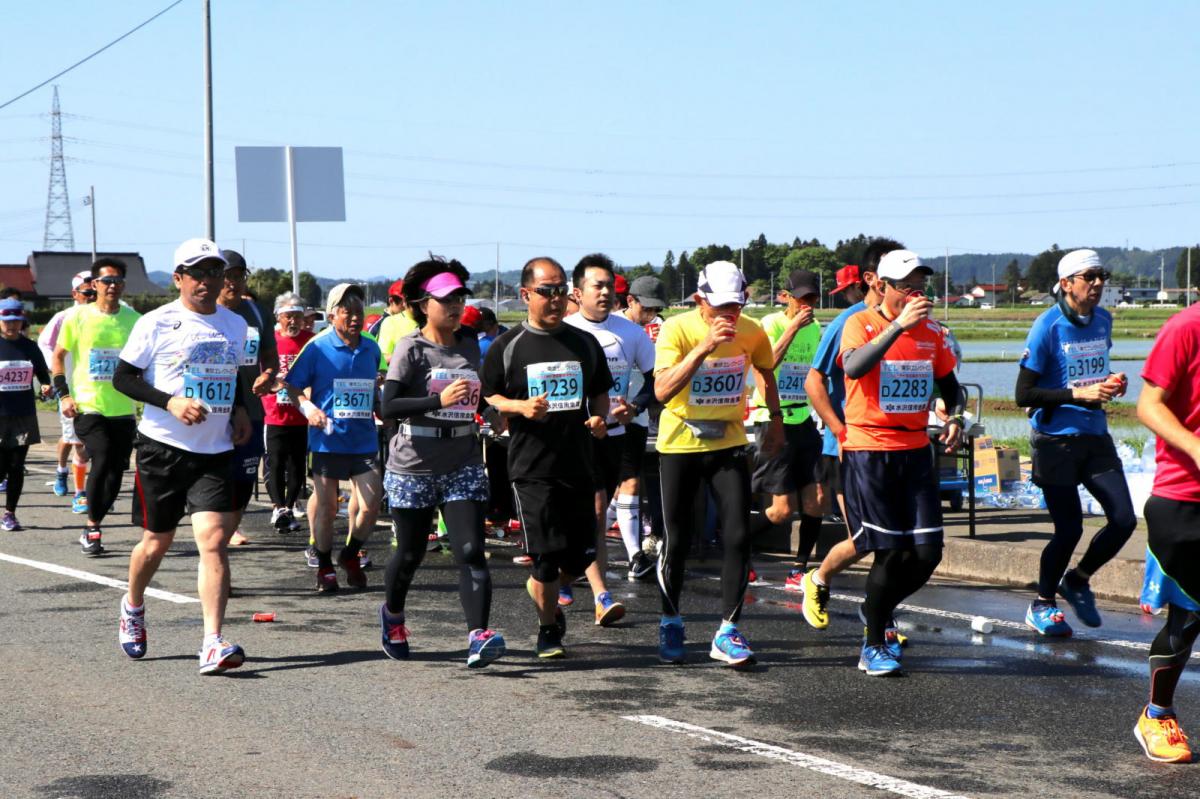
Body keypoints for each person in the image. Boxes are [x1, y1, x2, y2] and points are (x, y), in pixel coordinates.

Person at [112, 239, 251, 675]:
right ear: (178, 278)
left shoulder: (235, 324)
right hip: (162, 448)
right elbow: (123, 378)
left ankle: (212, 642)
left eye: (214, 272)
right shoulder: (156, 322)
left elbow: (232, 373)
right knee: (157, 542)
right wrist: (170, 402)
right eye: (198, 273)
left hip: (215, 450)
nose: (208, 280)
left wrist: (240, 409)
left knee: (213, 541)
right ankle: (133, 606)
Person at [838, 249, 962, 676]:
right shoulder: (860, 323)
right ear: (883, 286)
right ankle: (874, 643)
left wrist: (955, 416)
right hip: (870, 450)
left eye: (921, 287)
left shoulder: (932, 332)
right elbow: (854, 367)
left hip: (915, 450)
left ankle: (876, 609)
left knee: (927, 554)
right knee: (889, 553)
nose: (916, 294)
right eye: (908, 287)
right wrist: (897, 328)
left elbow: (951, 386)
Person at [481, 256, 612, 659]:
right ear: (525, 295)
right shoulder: (507, 346)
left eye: (560, 291)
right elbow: (489, 397)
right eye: (546, 291)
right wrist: (520, 407)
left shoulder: (584, 343)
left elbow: (600, 393)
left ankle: (544, 589)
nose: (555, 299)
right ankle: (548, 629)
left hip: (578, 462)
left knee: (581, 554)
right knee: (545, 558)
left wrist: (600, 418)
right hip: (531, 467)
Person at [653, 260, 782, 667]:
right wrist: (705, 347)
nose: (729, 314)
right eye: (720, 306)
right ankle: (671, 620)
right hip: (680, 443)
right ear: (699, 299)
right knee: (677, 538)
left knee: (739, 536)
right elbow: (661, 390)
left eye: (736, 306)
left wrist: (776, 419)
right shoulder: (677, 329)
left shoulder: (752, 331)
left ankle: (728, 630)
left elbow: (766, 371)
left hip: (729, 441)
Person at [378, 257, 506, 667]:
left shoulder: (469, 342)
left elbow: (475, 394)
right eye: (446, 300)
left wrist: (491, 411)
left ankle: (477, 636)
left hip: (463, 459)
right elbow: (389, 406)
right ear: (423, 305)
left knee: (471, 550)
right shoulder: (411, 348)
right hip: (414, 462)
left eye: (459, 299)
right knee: (411, 553)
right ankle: (393, 616)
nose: (454, 306)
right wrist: (437, 400)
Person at [1015, 249, 1135, 636]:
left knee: (1124, 519)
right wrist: (1078, 394)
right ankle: (1042, 603)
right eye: (1089, 277)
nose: (1098, 283)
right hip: (1055, 441)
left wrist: (1111, 381)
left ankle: (1077, 580)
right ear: (1066, 284)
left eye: (1102, 276)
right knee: (1069, 530)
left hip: (1095, 435)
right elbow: (1024, 394)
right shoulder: (1047, 326)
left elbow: (1091, 373)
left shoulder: (1103, 319)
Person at [564, 254, 657, 614]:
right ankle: (584, 585)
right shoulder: (564, 331)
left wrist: (634, 407)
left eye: (609, 286)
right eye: (597, 286)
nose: (605, 293)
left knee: (597, 511)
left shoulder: (631, 333)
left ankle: (585, 586)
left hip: (614, 434)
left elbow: (654, 380)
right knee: (590, 509)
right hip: (572, 435)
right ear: (578, 292)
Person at [278, 283, 383, 593]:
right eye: (348, 312)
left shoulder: (371, 348)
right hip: (327, 441)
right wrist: (309, 409)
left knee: (371, 504)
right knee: (327, 508)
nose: (355, 318)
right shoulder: (317, 347)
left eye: (359, 312)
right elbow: (292, 386)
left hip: (363, 439)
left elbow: (372, 386)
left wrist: (381, 405)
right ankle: (324, 565)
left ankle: (349, 554)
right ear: (332, 315)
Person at [1133, 302, 1200, 764]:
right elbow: (1148, 404)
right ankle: (1157, 715)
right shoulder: (1186, 328)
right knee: (1190, 615)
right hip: (1184, 496)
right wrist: (1196, 447)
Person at [54, 257, 142, 555]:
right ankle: (92, 527)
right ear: (95, 284)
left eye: (118, 281)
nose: (112, 286)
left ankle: (94, 522)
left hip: (123, 408)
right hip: (87, 406)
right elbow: (58, 356)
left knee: (116, 470)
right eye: (107, 281)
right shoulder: (77, 317)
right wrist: (64, 395)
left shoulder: (134, 319)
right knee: (102, 456)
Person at [748, 269, 824, 587]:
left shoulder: (816, 328)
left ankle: (799, 568)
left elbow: (817, 373)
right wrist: (792, 329)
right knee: (781, 511)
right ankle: (738, 548)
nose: (807, 305)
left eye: (812, 299)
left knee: (817, 499)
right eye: (801, 298)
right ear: (786, 297)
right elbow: (765, 366)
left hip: (803, 419)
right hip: (772, 419)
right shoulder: (771, 324)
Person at [218, 250, 279, 546]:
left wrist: (267, 375)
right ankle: (216, 530)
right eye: (227, 276)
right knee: (216, 475)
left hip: (252, 408)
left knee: (244, 477)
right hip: (213, 409)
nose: (233, 282)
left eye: (239, 276)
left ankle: (229, 526)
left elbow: (270, 358)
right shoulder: (204, 312)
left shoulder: (257, 313)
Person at [37, 270, 93, 505]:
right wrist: (55, 370)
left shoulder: (106, 316)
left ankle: (95, 490)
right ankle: (68, 479)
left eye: (95, 292)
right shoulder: (64, 317)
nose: (92, 297)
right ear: (75, 294)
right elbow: (44, 343)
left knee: (90, 443)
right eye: (87, 293)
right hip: (70, 388)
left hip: (98, 390)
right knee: (75, 441)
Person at [263, 292, 314, 532]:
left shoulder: (312, 341)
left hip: (302, 414)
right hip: (274, 414)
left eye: (297, 316)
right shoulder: (269, 342)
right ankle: (278, 508)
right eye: (288, 316)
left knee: (297, 465)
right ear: (278, 318)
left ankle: (289, 507)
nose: (293, 321)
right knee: (275, 463)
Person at [0, 298, 51, 531]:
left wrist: (45, 385)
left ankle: (10, 513)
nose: (11, 325)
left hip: (23, 413)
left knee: (16, 465)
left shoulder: (30, 347)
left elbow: (42, 373)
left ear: (22, 321)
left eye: (16, 321)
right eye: (6, 321)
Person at [626, 276, 668, 556]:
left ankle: (650, 538)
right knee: (616, 484)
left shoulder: (658, 328)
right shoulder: (615, 326)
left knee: (645, 478)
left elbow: (658, 375)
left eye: (656, 309)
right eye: (646, 308)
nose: (651, 314)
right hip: (612, 416)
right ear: (631, 301)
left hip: (644, 415)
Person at [377, 278, 419, 366]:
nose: (404, 305)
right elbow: (381, 358)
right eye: (403, 301)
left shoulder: (431, 319)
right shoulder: (389, 323)